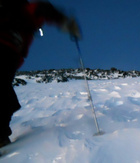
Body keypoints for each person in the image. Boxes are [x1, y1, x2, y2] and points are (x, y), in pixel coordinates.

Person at [0, 0, 81, 148]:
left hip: (9, 54)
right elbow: (42, 8)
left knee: (6, 97)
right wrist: (66, 23)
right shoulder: (23, 10)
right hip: (6, 51)